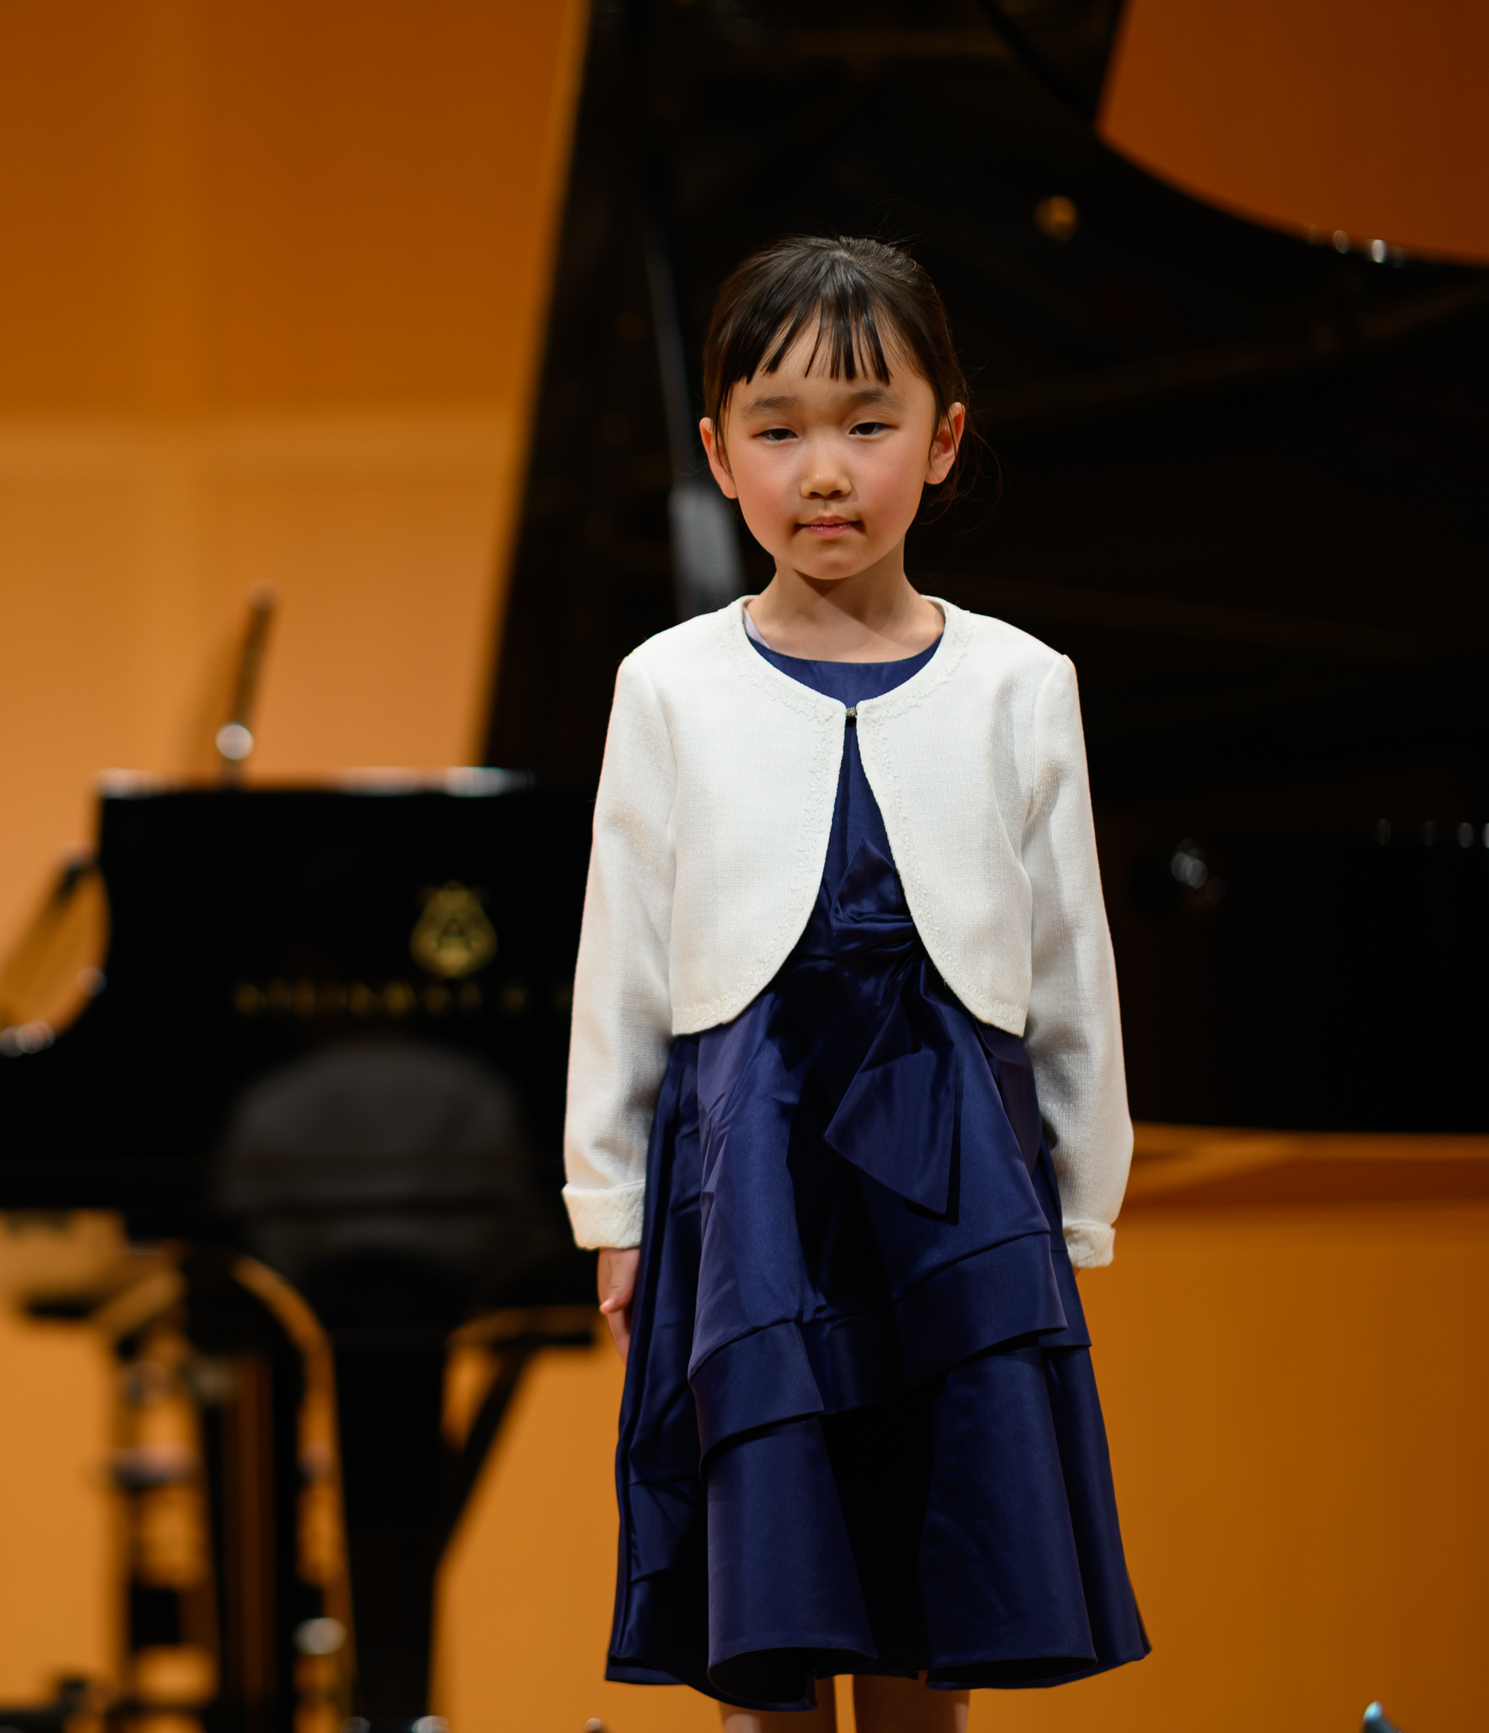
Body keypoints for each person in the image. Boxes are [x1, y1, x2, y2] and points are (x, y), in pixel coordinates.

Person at [563, 237, 1148, 1731]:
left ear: (942, 439)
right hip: (751, 1173)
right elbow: (620, 960)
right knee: (769, 1582)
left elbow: (1070, 957)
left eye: (867, 422)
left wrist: (1080, 1197)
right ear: (719, 455)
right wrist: (610, 1209)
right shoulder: (668, 684)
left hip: (956, 1174)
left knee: (930, 1587)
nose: (824, 471)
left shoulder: (1021, 682)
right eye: (778, 429)